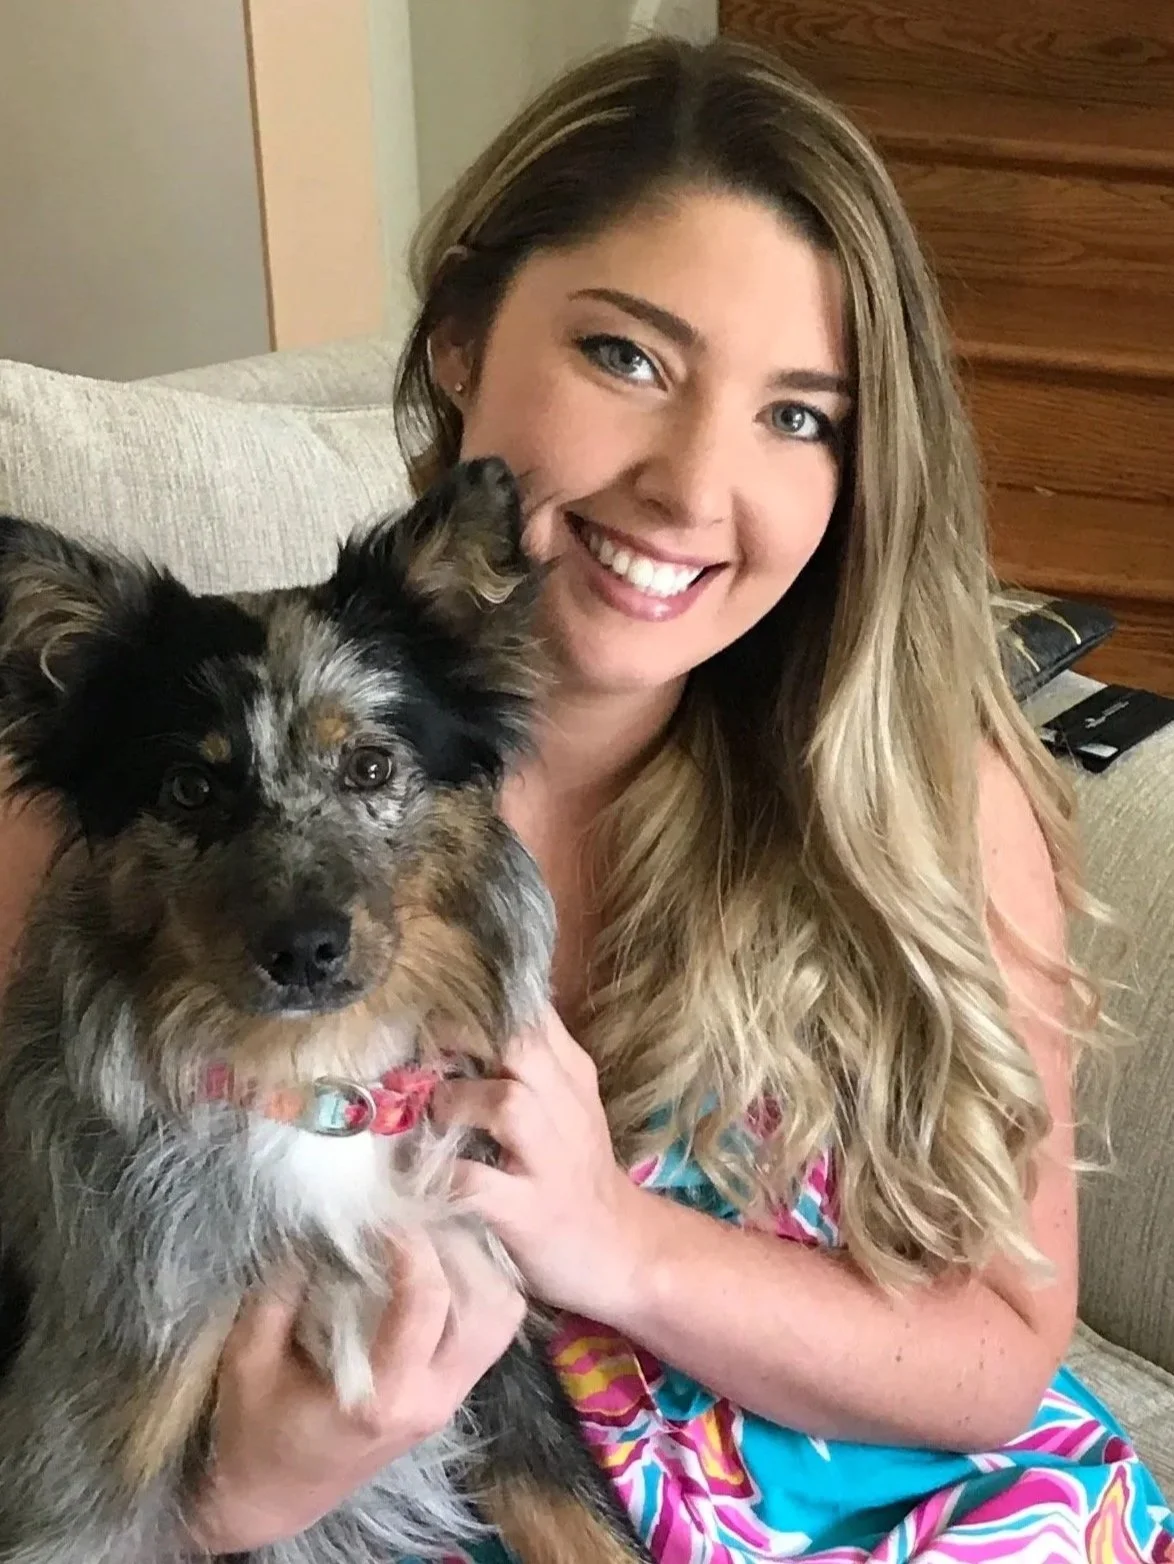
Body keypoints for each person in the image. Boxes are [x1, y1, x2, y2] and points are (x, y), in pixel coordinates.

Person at [2, 33, 1170, 1564]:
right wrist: (240, 1496)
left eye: (797, 414)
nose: (691, 487)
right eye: (627, 357)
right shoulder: (101, 829)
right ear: (460, 339)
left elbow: (1000, 1351)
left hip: (927, 1517)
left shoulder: (915, 795)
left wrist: (613, 1242)